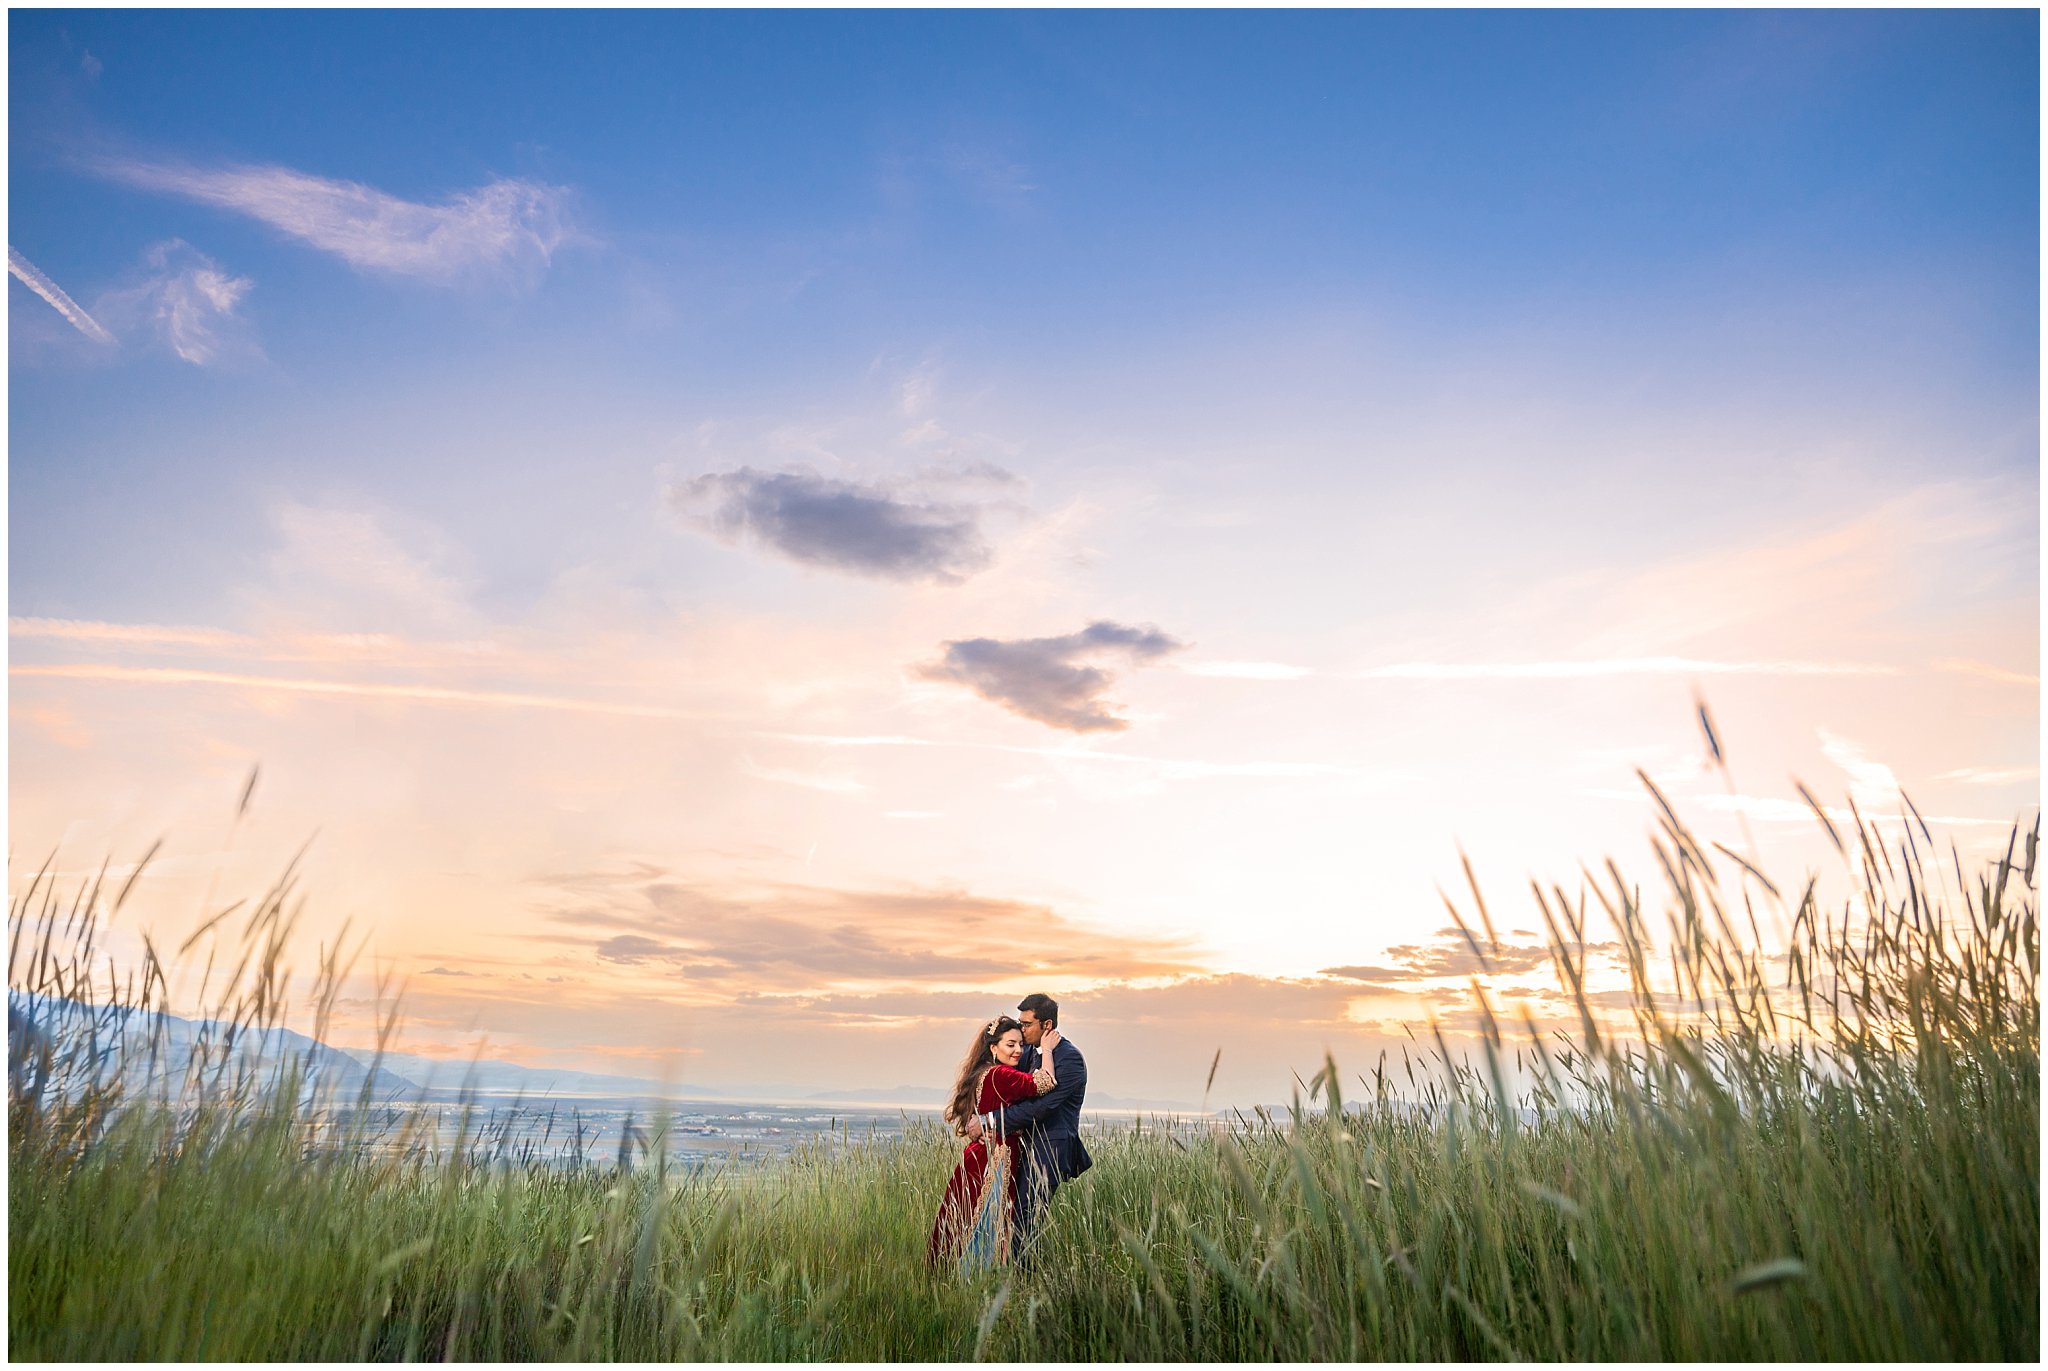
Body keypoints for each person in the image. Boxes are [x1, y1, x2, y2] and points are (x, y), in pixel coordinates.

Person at [925, 1014, 1062, 1272]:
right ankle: (975, 1278)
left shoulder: (983, 1074)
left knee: (963, 1220)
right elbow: (1045, 1082)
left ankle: (947, 1276)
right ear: (993, 1047)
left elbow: (975, 1118)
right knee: (987, 1220)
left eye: (1021, 1044)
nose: (1018, 1051)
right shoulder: (1000, 1075)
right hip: (994, 1159)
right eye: (1010, 1045)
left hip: (977, 1155)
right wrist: (1047, 1049)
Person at [983, 992, 1090, 1261]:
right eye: (1020, 1023)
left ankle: (1023, 1285)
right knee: (1010, 1216)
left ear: (1047, 1026)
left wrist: (991, 1121)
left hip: (1049, 1150)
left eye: (1027, 1024)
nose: (1021, 1029)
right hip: (1022, 1147)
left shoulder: (1070, 1059)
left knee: (1026, 1219)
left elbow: (1041, 1108)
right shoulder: (1030, 1051)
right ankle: (1009, 1276)